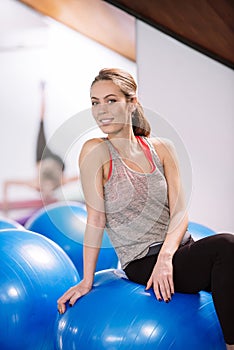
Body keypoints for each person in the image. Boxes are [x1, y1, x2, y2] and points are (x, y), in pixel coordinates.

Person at [57, 68, 234, 349]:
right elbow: (96, 218)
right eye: (94, 102)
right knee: (227, 244)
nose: (101, 109)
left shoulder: (162, 148)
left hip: (178, 253)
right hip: (142, 261)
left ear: (132, 103)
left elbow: (179, 211)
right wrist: (86, 281)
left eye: (111, 100)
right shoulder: (96, 151)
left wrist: (167, 257)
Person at [2, 81, 78, 211]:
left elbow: (7, 183)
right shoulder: (61, 182)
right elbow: (83, 176)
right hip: (57, 162)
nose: (46, 191)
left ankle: (43, 93)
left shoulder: (35, 184)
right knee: (41, 123)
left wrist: (5, 203)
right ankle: (43, 93)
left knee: (41, 123)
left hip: (42, 159)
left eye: (45, 193)